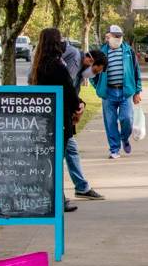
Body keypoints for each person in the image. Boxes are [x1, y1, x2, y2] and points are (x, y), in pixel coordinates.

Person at [30, 27, 85, 213]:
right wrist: (78, 106)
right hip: (59, 120)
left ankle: (55, 196)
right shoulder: (57, 66)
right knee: (57, 161)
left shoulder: (38, 65)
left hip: (43, 119)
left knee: (51, 160)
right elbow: (69, 91)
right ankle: (58, 198)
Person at [62, 46, 106, 203]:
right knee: (65, 150)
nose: (93, 75)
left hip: (66, 114)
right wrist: (77, 106)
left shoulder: (79, 74)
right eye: (95, 71)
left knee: (70, 149)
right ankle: (77, 188)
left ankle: (81, 187)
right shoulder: (74, 62)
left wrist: (79, 106)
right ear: (89, 60)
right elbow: (66, 89)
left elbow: (73, 93)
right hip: (61, 115)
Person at [94, 24, 142, 159]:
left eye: (119, 36)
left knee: (127, 119)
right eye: (114, 36)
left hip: (125, 92)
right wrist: (98, 87)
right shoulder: (101, 52)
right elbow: (93, 73)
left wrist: (137, 91)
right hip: (108, 92)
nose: (117, 39)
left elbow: (136, 71)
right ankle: (114, 149)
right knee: (110, 122)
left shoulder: (128, 51)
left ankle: (124, 138)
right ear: (107, 37)